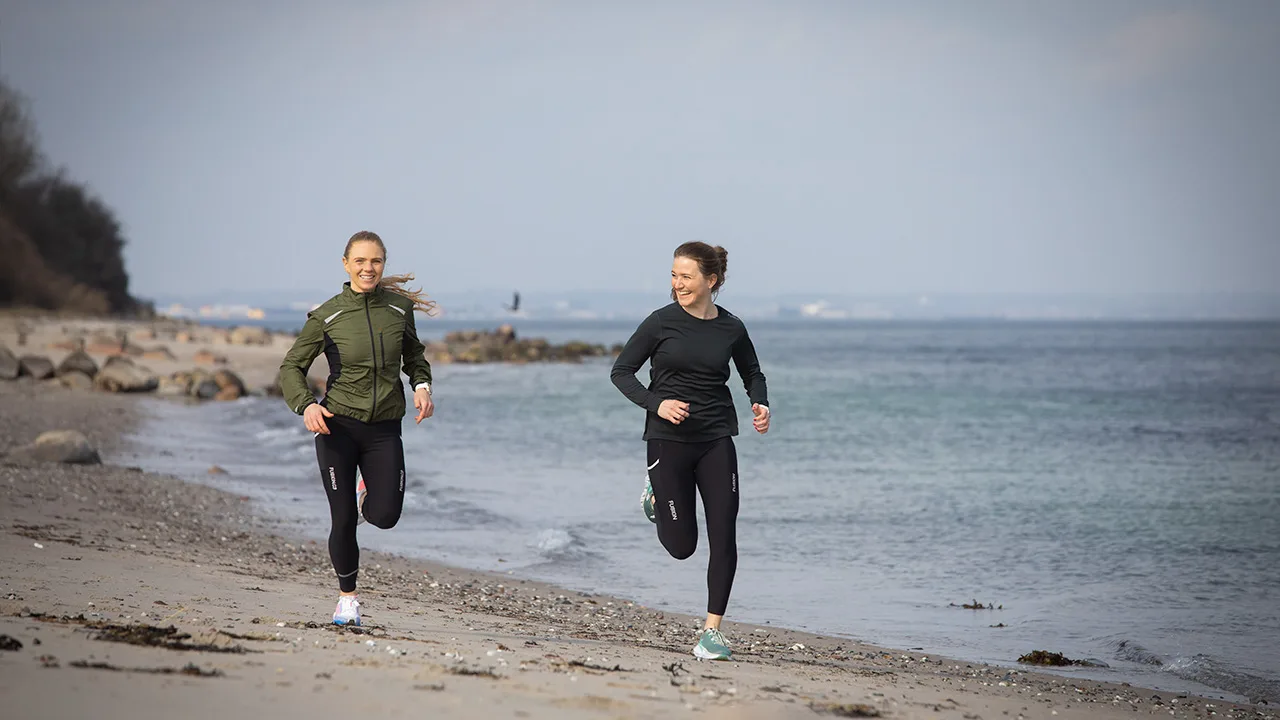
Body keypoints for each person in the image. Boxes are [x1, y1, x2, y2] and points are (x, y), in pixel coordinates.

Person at [610, 241, 771, 660]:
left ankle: (712, 632)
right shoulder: (660, 322)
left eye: (686, 276)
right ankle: (655, 493)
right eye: (674, 275)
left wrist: (760, 402)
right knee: (682, 546)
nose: (677, 284)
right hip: (668, 440)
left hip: (716, 438)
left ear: (711, 280)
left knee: (724, 533)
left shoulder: (731, 327)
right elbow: (621, 372)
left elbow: (752, 372)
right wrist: (657, 403)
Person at [278, 230, 437, 626]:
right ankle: (347, 600)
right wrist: (305, 405)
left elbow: (414, 357)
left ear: (383, 264)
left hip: (384, 428)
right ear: (346, 264)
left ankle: (367, 495)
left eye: (376, 261)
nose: (369, 268)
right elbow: (292, 367)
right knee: (343, 517)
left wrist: (422, 386)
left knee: (385, 515)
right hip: (338, 428)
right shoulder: (327, 315)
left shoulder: (399, 309)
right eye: (361, 261)